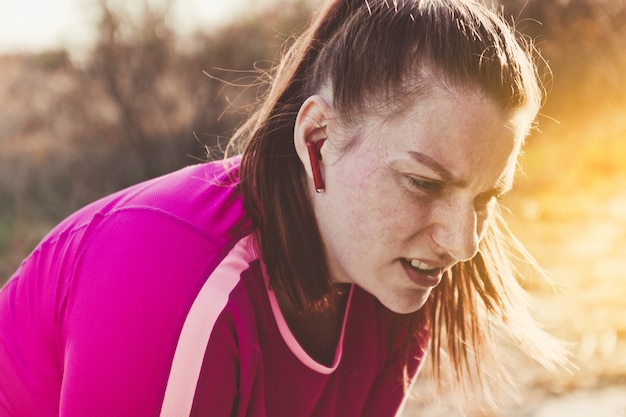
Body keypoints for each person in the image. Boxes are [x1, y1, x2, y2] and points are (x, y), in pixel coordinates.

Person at [0, 0, 566, 416]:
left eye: (487, 196)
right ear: (317, 136)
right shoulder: (168, 279)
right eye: (422, 183)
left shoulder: (391, 277)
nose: (463, 243)